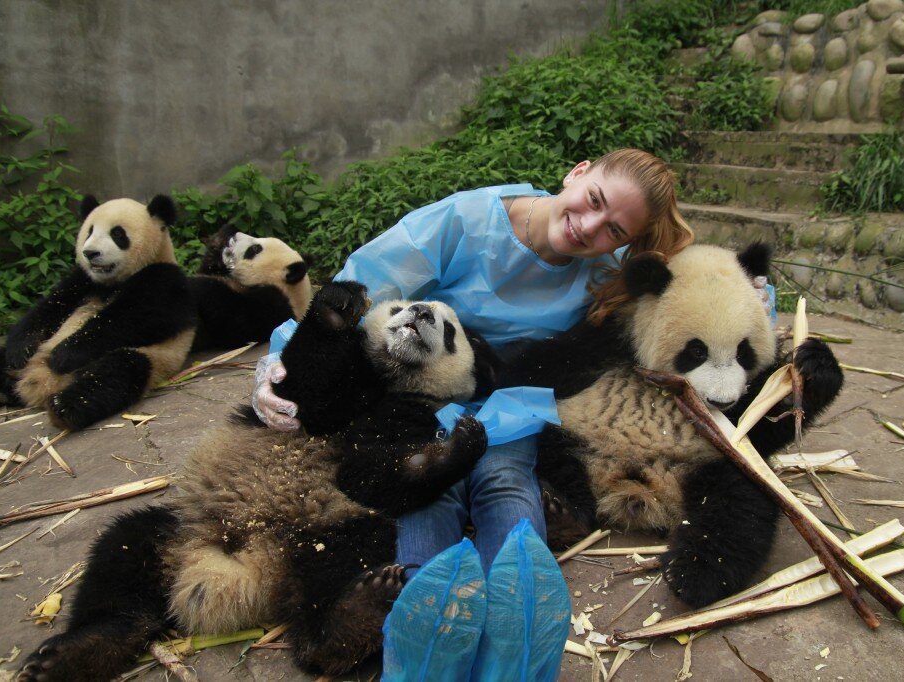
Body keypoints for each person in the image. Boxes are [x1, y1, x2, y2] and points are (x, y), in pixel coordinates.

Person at [253, 149, 696, 679]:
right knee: (426, 482)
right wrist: (282, 357)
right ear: (577, 172)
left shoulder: (606, 273)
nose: (590, 227)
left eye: (614, 231)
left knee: (505, 481)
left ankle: (518, 629)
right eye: (594, 200)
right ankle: (424, 634)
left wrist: (755, 299)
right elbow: (362, 288)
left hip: (509, 400)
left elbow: (690, 294)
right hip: (421, 388)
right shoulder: (462, 220)